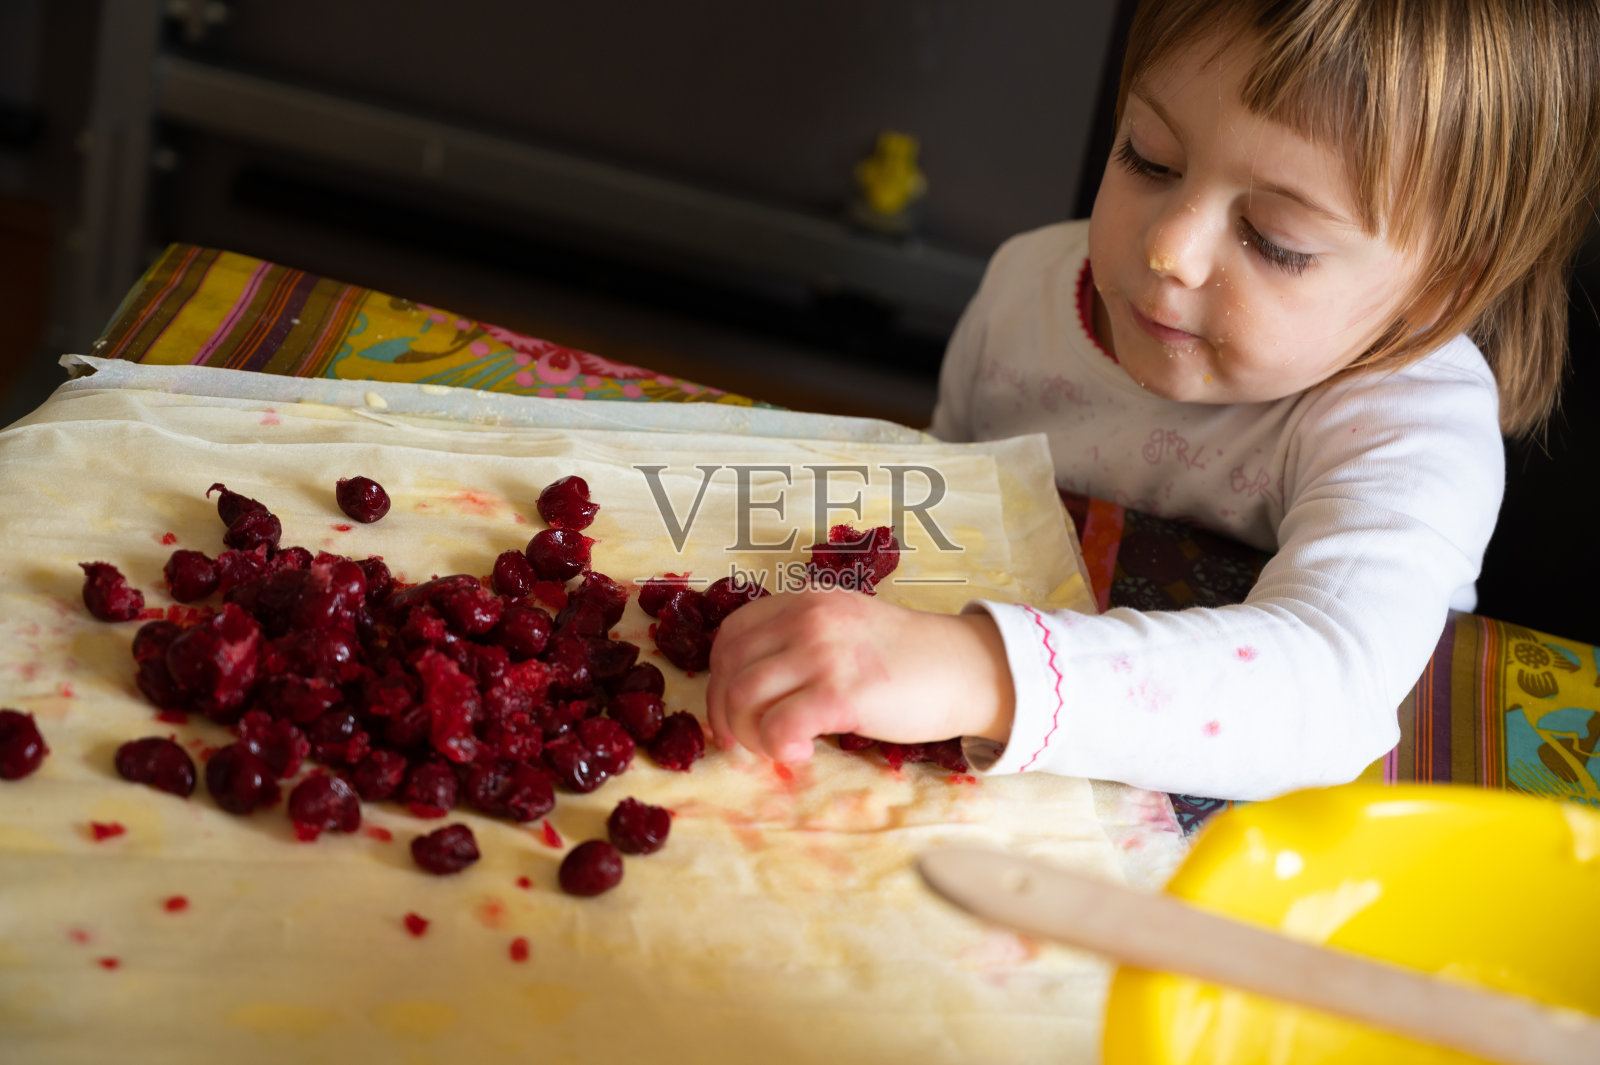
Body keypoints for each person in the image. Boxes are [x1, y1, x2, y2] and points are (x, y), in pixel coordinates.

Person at [705, 0, 1600, 801]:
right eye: (1150, 157)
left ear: (1443, 288)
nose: (1170, 246)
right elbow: (940, 503)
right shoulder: (1027, 286)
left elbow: (1328, 686)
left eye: (1275, 239)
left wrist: (980, 670)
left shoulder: (1413, 429)